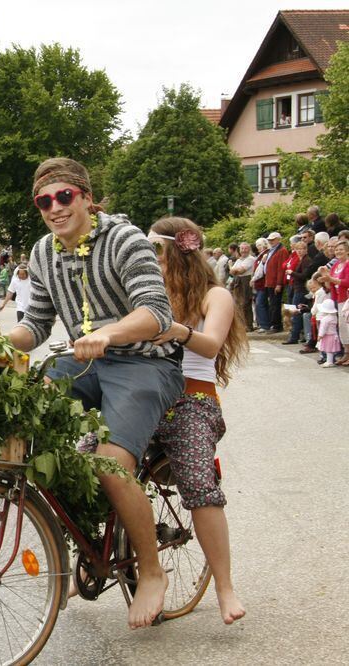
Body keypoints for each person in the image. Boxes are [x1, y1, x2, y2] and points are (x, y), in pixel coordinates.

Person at [7, 157, 183, 629]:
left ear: (86, 197)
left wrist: (110, 334)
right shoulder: (43, 252)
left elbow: (156, 313)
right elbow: (36, 324)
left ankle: (151, 573)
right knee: (25, 427)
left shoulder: (126, 240)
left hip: (145, 363)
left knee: (110, 460)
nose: (54, 207)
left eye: (64, 196)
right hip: (84, 361)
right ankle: (73, 540)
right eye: (44, 201)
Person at [147, 217, 248, 625]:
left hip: (193, 400)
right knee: (90, 461)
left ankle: (225, 588)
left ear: (175, 251)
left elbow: (209, 346)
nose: (149, 257)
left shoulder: (214, 295)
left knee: (198, 484)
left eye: (155, 249)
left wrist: (174, 330)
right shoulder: (149, 290)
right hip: (148, 396)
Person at [263, 232, 289, 333]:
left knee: (275, 304)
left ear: (278, 239)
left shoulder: (282, 251)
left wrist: (279, 283)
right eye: (269, 240)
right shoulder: (272, 250)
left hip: (275, 282)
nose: (271, 242)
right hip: (270, 281)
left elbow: (280, 269)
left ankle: (276, 325)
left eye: (273, 240)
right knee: (272, 304)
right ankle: (273, 324)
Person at [228, 243, 255, 332]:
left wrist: (232, 267)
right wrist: (234, 270)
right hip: (238, 281)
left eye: (245, 248)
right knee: (238, 303)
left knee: (246, 303)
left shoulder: (250, 259)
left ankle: (248, 325)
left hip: (246, 281)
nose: (243, 250)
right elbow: (232, 272)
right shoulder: (240, 260)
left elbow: (240, 271)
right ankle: (242, 325)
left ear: (249, 249)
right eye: (242, 248)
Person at [316, 299, 341, 367]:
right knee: (330, 350)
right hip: (333, 335)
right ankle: (330, 361)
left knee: (328, 350)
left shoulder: (325, 319)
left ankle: (329, 362)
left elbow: (323, 329)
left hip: (327, 336)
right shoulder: (334, 317)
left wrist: (320, 336)